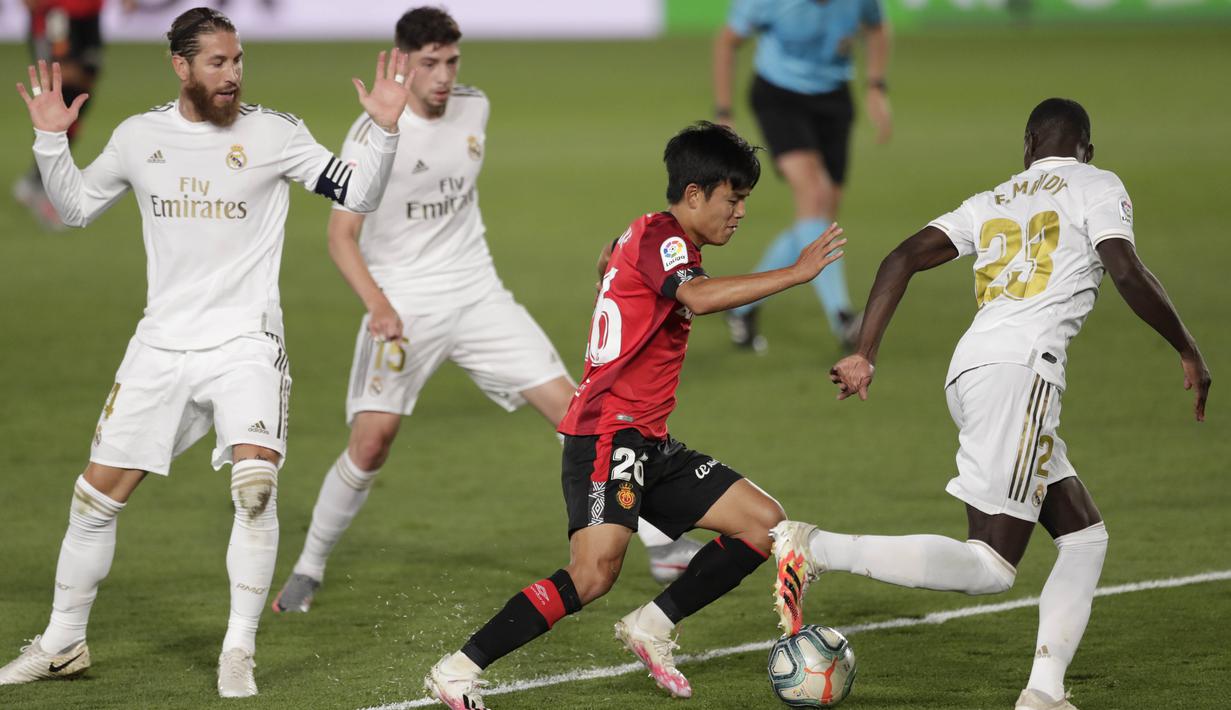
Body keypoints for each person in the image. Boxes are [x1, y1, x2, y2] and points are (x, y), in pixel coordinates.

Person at [0, 7, 413, 698]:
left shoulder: (275, 134)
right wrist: (50, 141)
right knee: (92, 500)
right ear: (182, 66)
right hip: (160, 344)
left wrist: (385, 129)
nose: (232, 75)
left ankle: (238, 649)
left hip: (245, 341)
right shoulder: (140, 138)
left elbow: (358, 190)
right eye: (218, 63)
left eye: (238, 60)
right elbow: (73, 209)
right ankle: (62, 641)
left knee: (255, 488)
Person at [770, 98, 1211, 710]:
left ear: (1028, 144)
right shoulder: (1096, 184)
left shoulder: (994, 199)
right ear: (1087, 147)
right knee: (992, 564)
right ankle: (815, 547)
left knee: (1084, 538)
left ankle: (1044, 692)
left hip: (973, 368)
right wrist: (1187, 348)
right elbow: (1127, 272)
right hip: (1022, 374)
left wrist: (865, 352)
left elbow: (900, 258)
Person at [269, 9, 699, 618]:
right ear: (401, 62)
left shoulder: (475, 107)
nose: (443, 76)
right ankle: (309, 566)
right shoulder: (372, 135)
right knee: (371, 444)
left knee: (583, 411)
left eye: (450, 62)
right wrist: (379, 304)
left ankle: (659, 539)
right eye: (429, 64)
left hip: (477, 294)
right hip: (405, 303)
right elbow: (341, 235)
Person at [423, 122, 847, 710]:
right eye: (734, 198)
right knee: (593, 574)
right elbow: (696, 297)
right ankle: (458, 670)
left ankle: (652, 626)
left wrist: (616, 278)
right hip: (606, 433)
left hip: (647, 440)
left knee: (762, 524)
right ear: (694, 195)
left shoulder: (651, 235)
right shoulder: (665, 238)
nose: (741, 212)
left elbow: (609, 260)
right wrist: (796, 274)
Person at [713, 0, 891, 352]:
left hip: (834, 100)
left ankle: (741, 308)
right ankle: (842, 318)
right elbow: (727, 41)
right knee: (813, 194)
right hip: (779, 96)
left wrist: (875, 85)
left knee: (820, 220)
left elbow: (878, 28)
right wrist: (724, 111)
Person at [13, 0, 133, 229]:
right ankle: (47, 191)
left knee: (80, 96)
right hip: (57, 13)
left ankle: (36, 180)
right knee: (62, 86)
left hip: (89, 13)